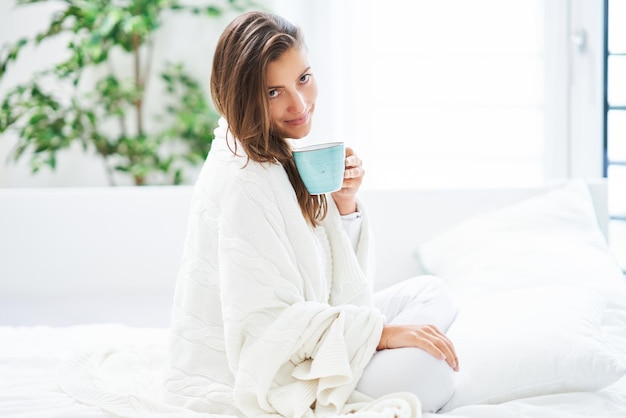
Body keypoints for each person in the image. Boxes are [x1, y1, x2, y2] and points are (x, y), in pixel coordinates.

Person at [164, 10, 459, 417]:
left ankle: (372, 357)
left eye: (303, 78)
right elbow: (268, 326)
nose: (298, 104)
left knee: (432, 293)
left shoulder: (275, 148)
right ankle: (369, 366)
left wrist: (344, 206)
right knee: (431, 376)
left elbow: (333, 285)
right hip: (277, 367)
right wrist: (382, 336)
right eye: (273, 92)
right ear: (241, 96)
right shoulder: (242, 180)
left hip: (322, 337)